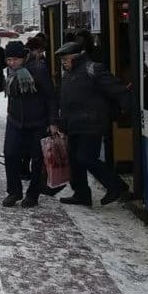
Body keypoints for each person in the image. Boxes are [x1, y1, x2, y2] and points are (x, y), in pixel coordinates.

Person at [55, 41, 130, 206]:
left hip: (92, 123)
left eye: (65, 59)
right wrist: (62, 123)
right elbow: (65, 101)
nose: (64, 63)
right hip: (73, 124)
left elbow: (117, 90)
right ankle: (81, 194)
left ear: (77, 56)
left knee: (86, 158)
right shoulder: (68, 74)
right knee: (74, 160)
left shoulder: (94, 69)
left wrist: (127, 109)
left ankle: (115, 185)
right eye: (62, 60)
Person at [1, 41, 62, 208]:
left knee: (37, 159)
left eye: (15, 59)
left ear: (23, 57)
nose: (11, 63)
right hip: (15, 120)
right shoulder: (11, 71)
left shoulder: (38, 69)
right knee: (10, 154)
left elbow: (50, 96)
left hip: (37, 121)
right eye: (9, 60)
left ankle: (33, 195)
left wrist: (52, 122)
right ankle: (14, 191)